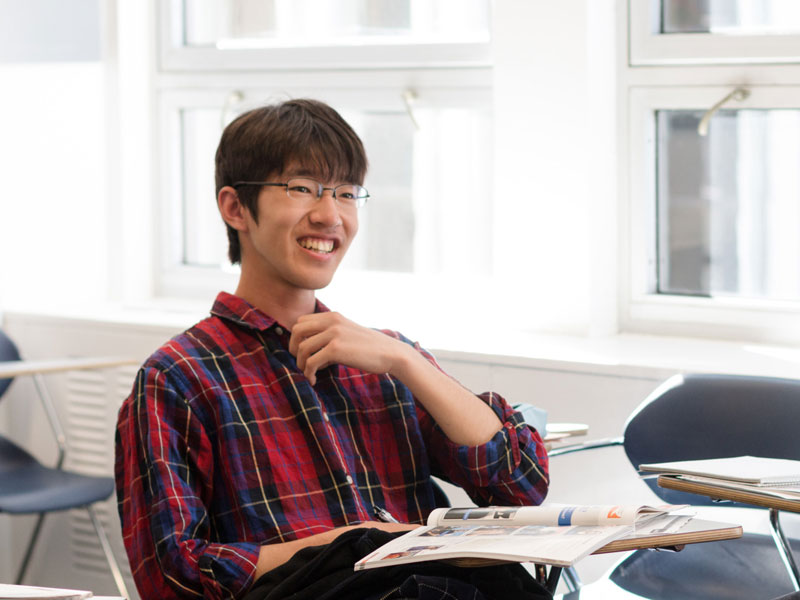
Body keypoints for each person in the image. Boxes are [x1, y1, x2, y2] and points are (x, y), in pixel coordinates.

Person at [114, 98, 550, 600]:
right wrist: (355, 544)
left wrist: (404, 361)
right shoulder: (179, 378)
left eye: (346, 193)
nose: (330, 215)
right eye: (302, 189)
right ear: (236, 208)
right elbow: (175, 575)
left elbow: (520, 485)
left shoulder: (382, 360)